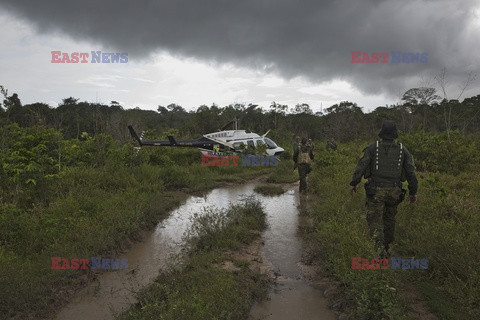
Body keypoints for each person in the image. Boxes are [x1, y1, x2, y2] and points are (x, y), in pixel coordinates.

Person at [349, 120, 418, 258]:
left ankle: (380, 252)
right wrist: (413, 192)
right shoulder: (403, 150)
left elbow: (361, 166)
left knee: (375, 221)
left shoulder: (372, 148)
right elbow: (411, 172)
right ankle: (387, 248)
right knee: (390, 219)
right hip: (395, 192)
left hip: (376, 191)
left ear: (381, 132)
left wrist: (354, 183)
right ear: (395, 133)